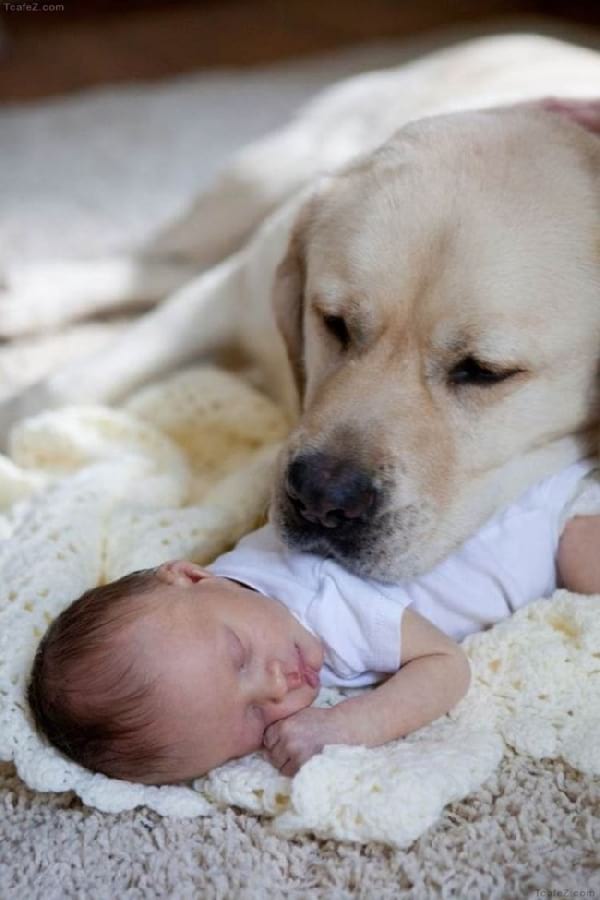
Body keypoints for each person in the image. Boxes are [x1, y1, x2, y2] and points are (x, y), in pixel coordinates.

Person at [27, 457, 600, 783]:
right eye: (251, 719)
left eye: (239, 655)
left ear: (193, 574)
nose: (276, 686)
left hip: (545, 516)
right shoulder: (230, 588)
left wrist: (350, 725)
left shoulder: (331, 608)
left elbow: (446, 666)